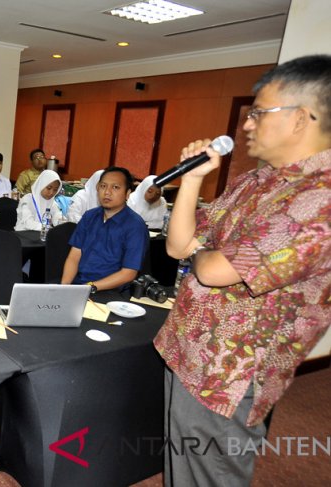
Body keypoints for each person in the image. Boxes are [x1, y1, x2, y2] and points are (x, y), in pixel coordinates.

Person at [154, 55, 331, 486]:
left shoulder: (318, 201)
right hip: (189, 348)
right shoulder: (256, 181)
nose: (246, 124)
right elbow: (179, 245)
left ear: (301, 118)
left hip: (230, 374)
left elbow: (214, 270)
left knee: (210, 475)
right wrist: (193, 180)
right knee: (180, 468)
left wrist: (202, 252)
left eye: (258, 113)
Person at [61, 167, 148, 291]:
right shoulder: (89, 216)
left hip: (110, 292)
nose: (107, 192)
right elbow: (74, 256)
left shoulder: (135, 226)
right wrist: (64, 287)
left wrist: (89, 288)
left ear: (127, 194)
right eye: (103, 186)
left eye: (115, 187)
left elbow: (129, 273)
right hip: (79, 285)